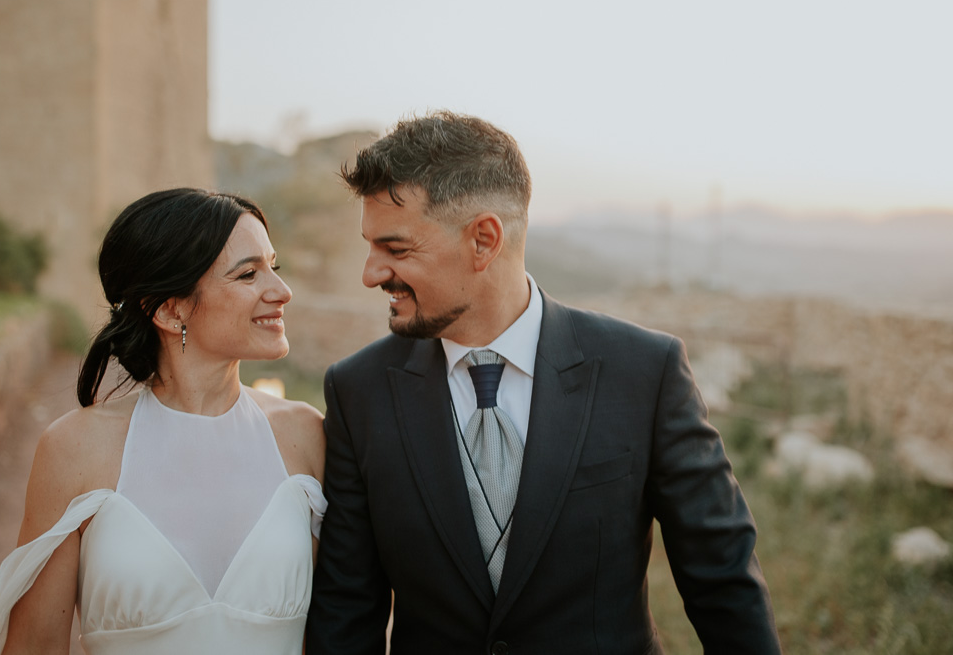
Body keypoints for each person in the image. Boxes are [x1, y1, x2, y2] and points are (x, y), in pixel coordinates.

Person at [305, 112, 781, 654]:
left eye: (396, 249)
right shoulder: (357, 392)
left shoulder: (645, 372)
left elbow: (723, 584)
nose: (370, 273)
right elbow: (347, 609)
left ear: (483, 241)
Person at [0, 188, 326, 654]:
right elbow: (35, 647)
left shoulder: (307, 435)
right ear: (169, 309)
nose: (281, 291)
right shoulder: (74, 449)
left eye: (274, 266)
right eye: (249, 274)